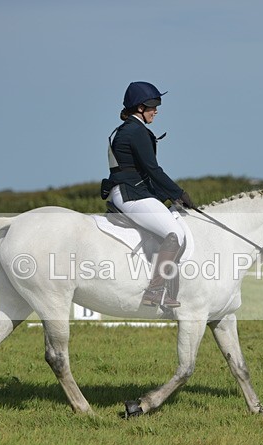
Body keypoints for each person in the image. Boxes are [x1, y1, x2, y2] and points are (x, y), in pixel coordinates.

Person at [101, 81, 195, 308]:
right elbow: (153, 170)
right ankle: (154, 291)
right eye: (153, 105)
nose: (157, 110)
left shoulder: (131, 130)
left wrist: (171, 197)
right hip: (130, 194)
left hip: (136, 190)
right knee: (173, 233)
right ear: (140, 108)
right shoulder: (135, 131)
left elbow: (145, 173)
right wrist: (179, 193)